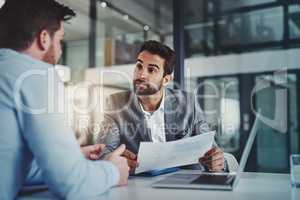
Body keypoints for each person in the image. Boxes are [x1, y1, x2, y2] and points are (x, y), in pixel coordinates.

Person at [0, 0, 129, 199]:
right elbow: (71, 184)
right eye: (60, 40)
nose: (59, 51)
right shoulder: (35, 74)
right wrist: (113, 171)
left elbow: (11, 171)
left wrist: (72, 158)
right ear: (44, 38)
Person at [97, 40, 226, 173]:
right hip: (141, 185)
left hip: (185, 184)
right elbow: (102, 151)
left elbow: (212, 152)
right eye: (139, 66)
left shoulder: (188, 103)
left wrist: (217, 162)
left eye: (151, 70)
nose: (141, 75)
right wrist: (113, 159)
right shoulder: (116, 103)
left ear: (166, 79)